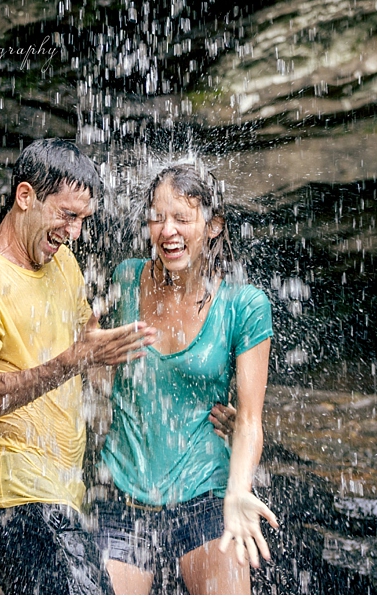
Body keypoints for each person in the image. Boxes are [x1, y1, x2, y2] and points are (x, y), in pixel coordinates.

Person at [0, 138, 157, 594]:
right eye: (67, 215)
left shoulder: (65, 266)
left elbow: (90, 361)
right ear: (25, 197)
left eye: (83, 220)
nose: (75, 232)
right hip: (15, 499)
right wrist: (72, 360)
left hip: (64, 497)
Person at [95, 163, 280, 595]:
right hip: (125, 496)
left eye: (182, 217)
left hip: (206, 497)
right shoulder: (126, 279)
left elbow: (250, 422)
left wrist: (238, 491)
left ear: (213, 225)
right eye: (158, 217)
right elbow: (93, 375)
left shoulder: (244, 305)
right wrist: (86, 356)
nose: (167, 230)